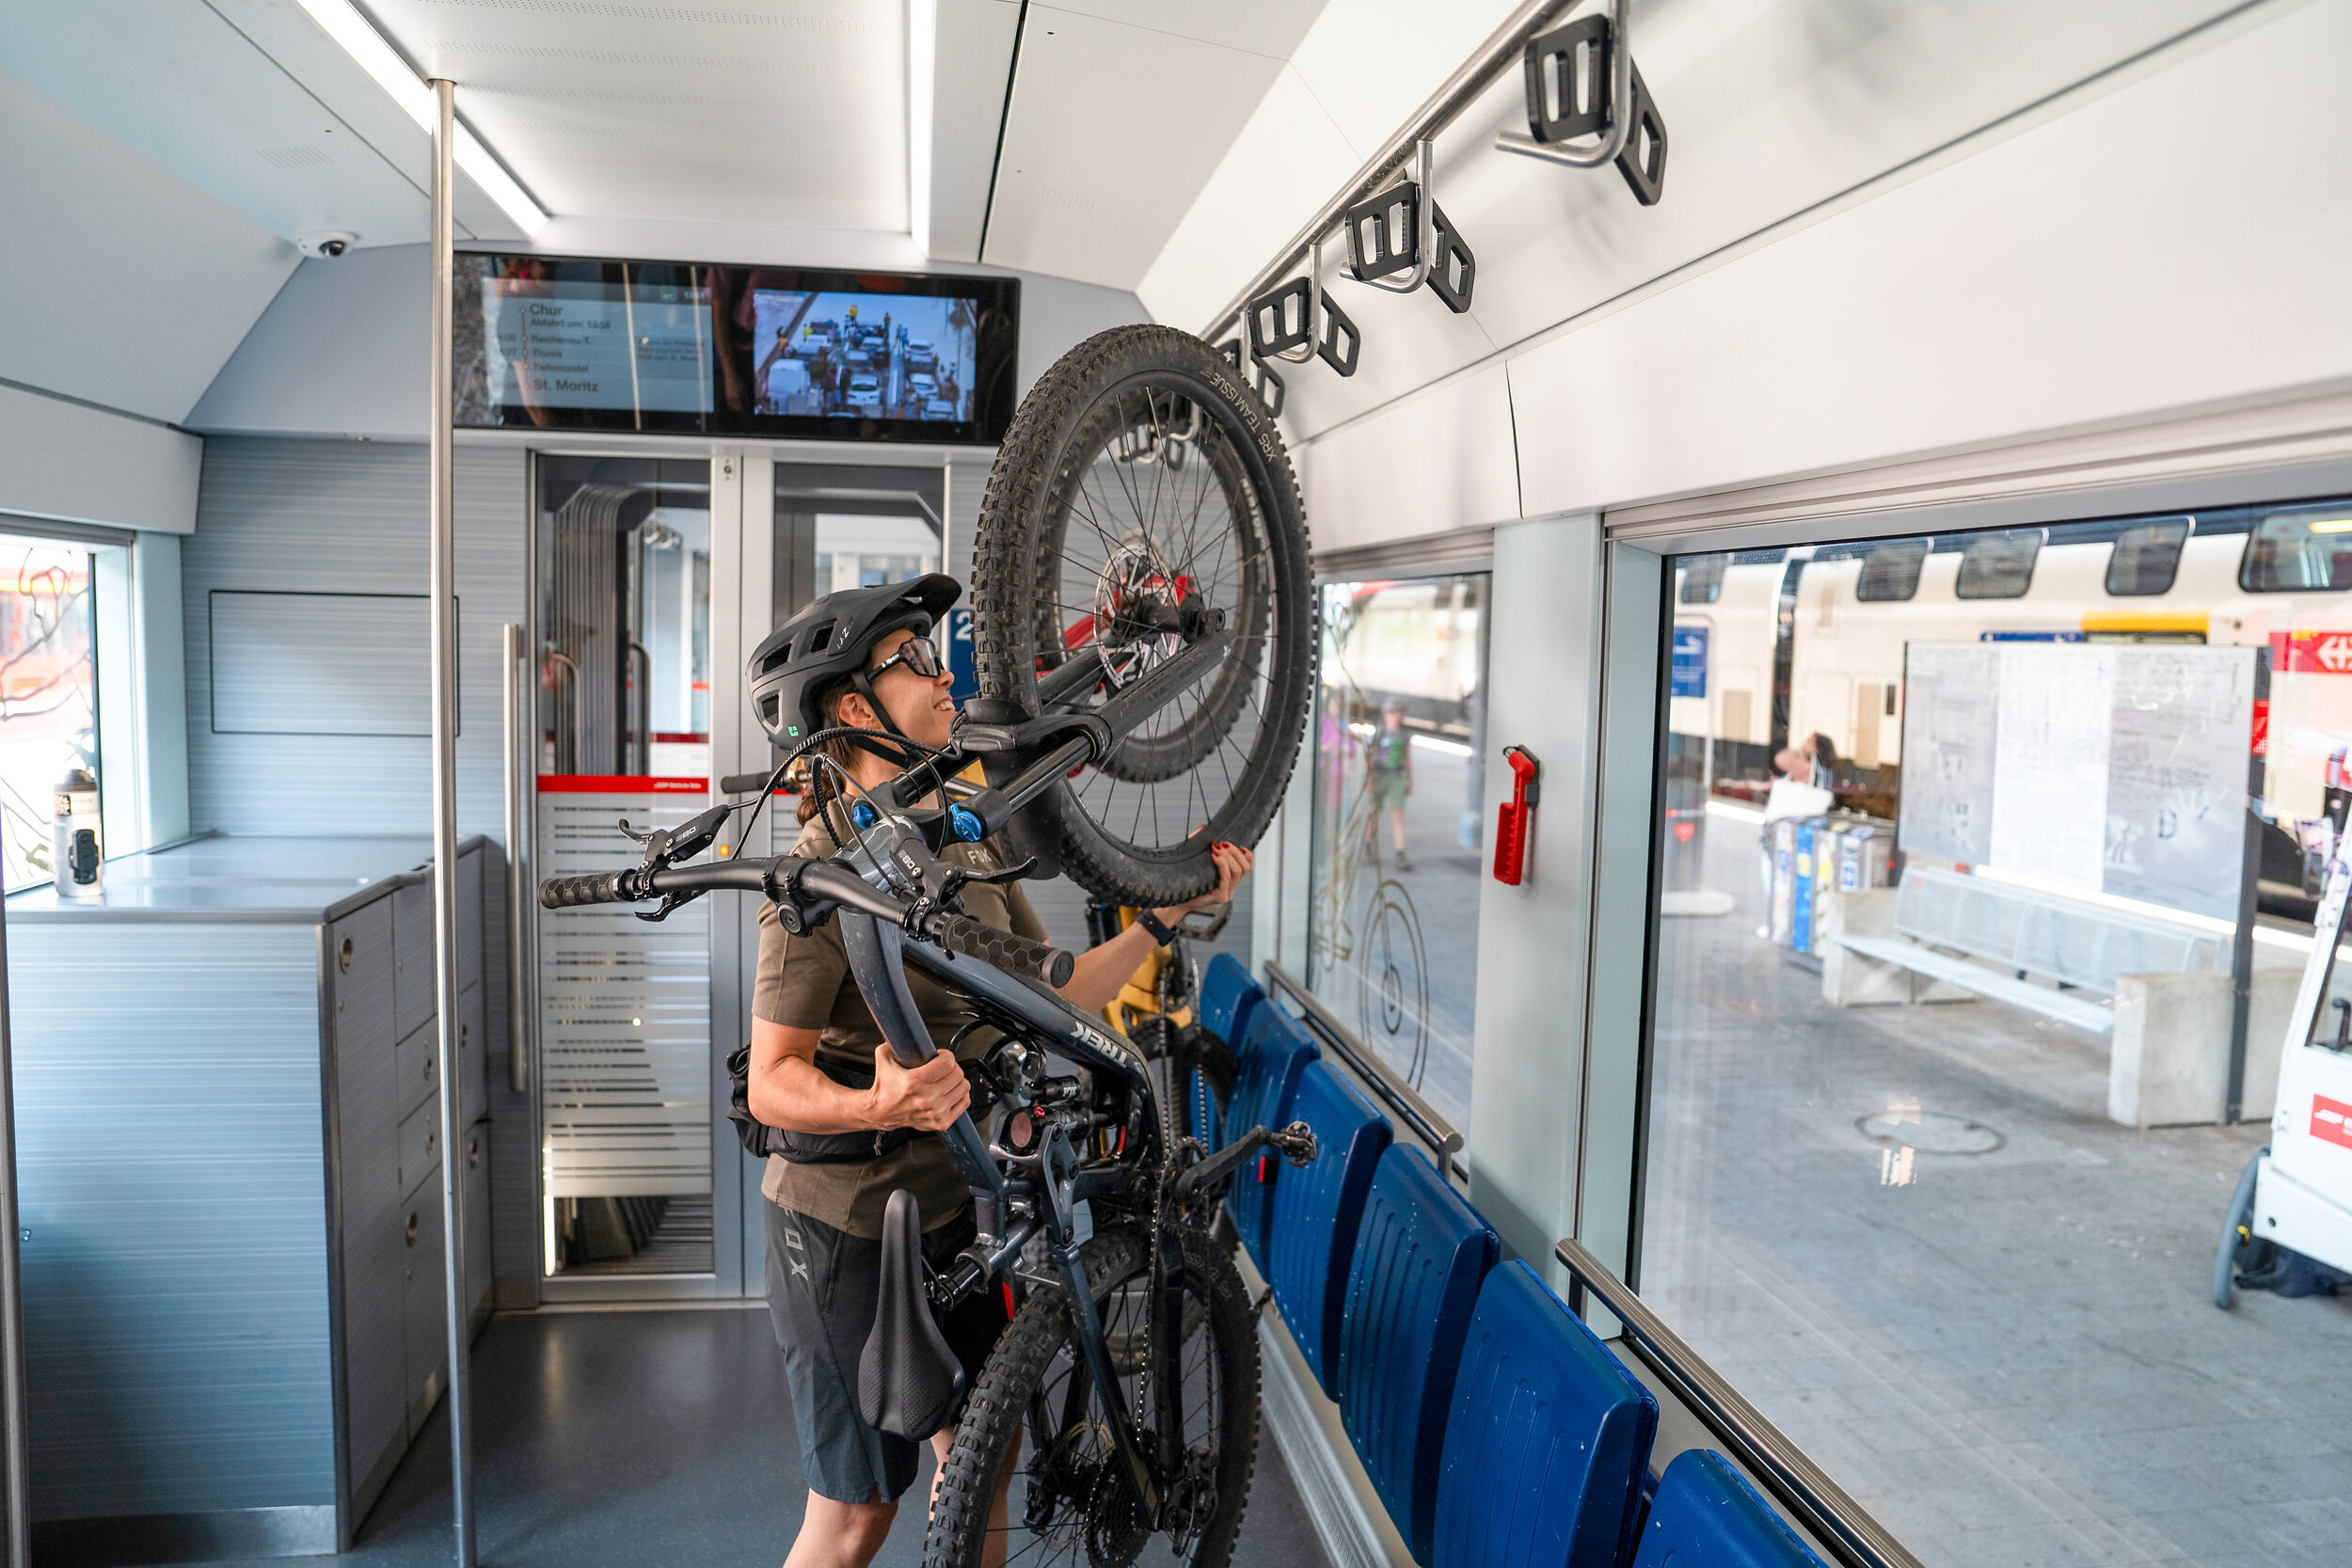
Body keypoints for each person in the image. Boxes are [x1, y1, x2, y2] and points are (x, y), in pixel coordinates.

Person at [742, 576, 1251, 1568]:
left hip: (950, 1210)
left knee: (979, 1450)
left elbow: (1068, 990)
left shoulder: (963, 831)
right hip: (840, 1228)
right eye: (916, 663)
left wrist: (1164, 915)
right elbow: (773, 1080)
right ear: (854, 708)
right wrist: (879, 1097)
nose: (944, 678)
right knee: (854, 1514)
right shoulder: (817, 877)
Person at [1369, 695, 1414, 871]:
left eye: (1397, 712)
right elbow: (1370, 757)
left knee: (1397, 814)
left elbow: (1407, 758)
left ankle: (1400, 852)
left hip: (1396, 776)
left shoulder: (1403, 735)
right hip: (1380, 776)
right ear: (1385, 715)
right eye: (1391, 712)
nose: (1394, 716)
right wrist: (1370, 779)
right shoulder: (1379, 734)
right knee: (1375, 812)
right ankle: (1368, 843)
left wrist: (1410, 780)